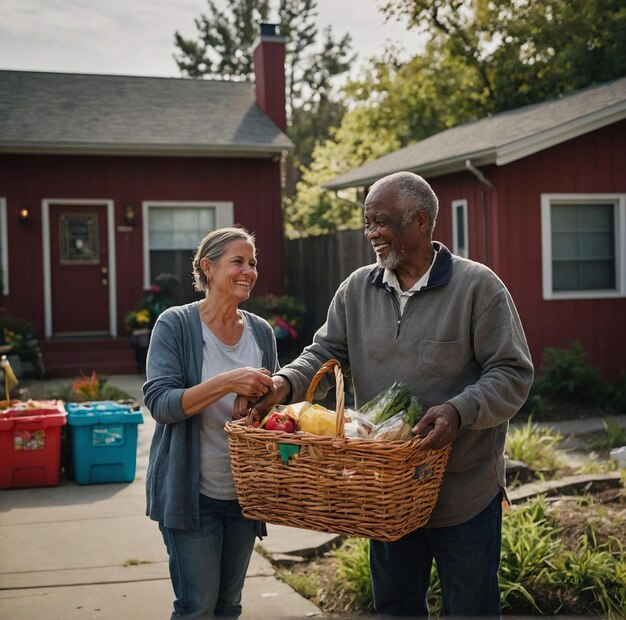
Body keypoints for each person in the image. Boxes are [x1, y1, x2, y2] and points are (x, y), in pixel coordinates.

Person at [245, 171, 534, 617]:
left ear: (421, 221)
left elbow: (512, 372)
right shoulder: (357, 289)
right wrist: (283, 383)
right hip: (385, 495)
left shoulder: (478, 288)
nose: (371, 233)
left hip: (464, 493)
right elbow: (323, 352)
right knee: (396, 608)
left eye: (381, 221)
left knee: (472, 609)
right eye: (367, 222)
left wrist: (459, 411)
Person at [143, 226, 279, 618]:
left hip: (244, 496)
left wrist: (256, 405)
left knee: (228, 606)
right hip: (192, 496)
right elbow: (162, 404)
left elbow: (274, 409)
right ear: (208, 266)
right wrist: (226, 382)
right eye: (238, 261)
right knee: (196, 607)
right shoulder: (176, 325)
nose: (249, 271)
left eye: (252, 263)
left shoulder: (261, 332)